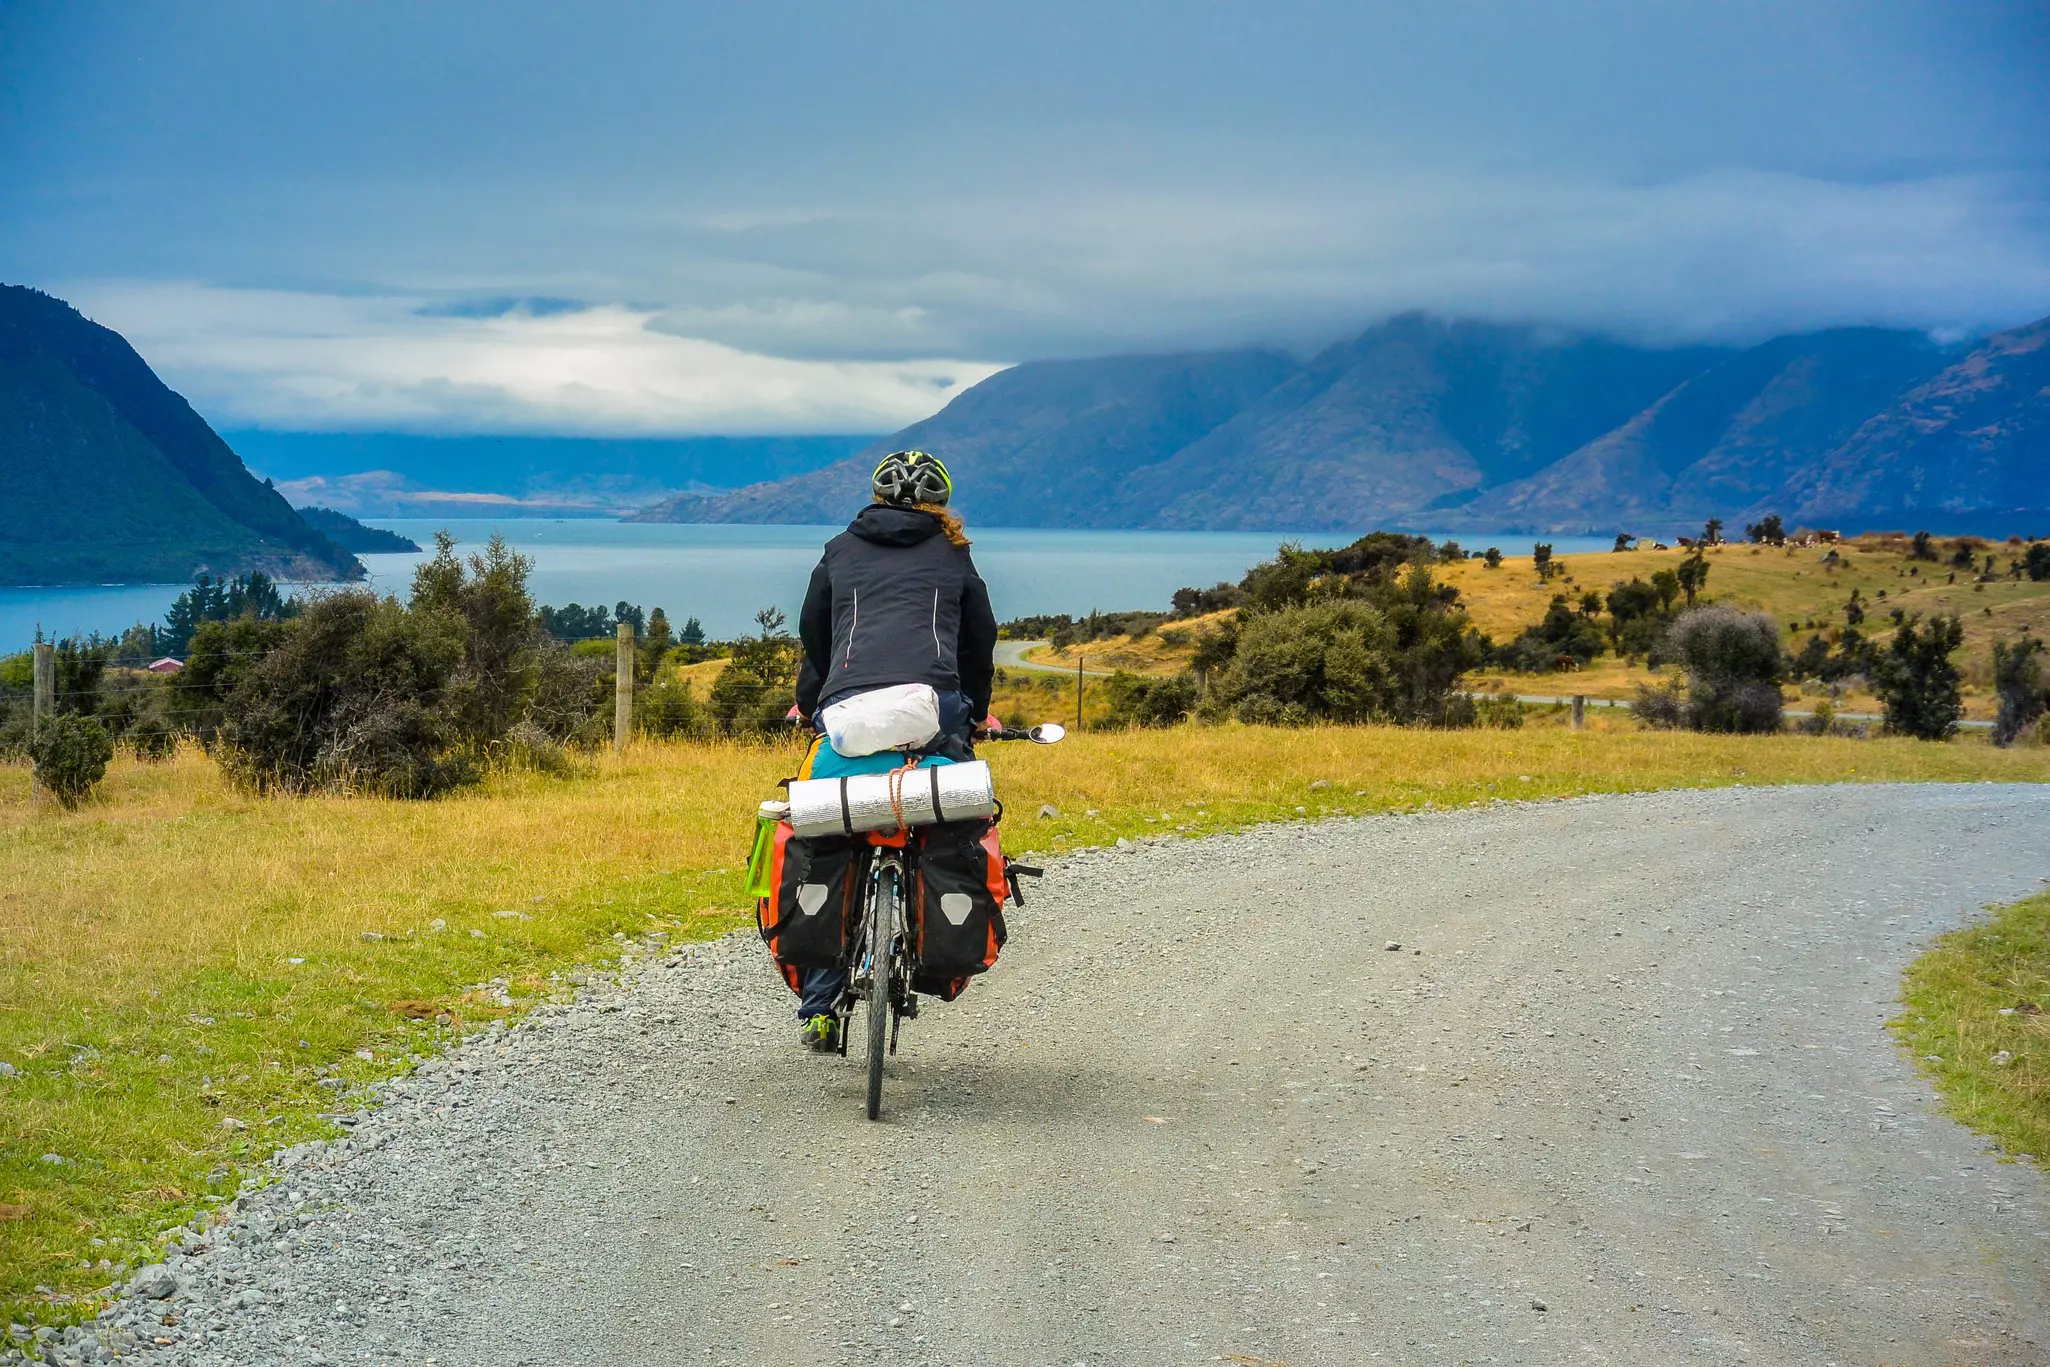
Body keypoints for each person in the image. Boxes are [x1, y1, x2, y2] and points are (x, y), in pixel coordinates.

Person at [790, 449, 997, 1050]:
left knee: (832, 831)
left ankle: (821, 1001)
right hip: (933, 706)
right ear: (941, 504)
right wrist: (977, 711)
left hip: (847, 708)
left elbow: (815, 633)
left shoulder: (839, 548)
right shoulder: (955, 554)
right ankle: (933, 939)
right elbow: (979, 641)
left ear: (877, 496)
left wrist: (814, 699)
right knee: (950, 807)